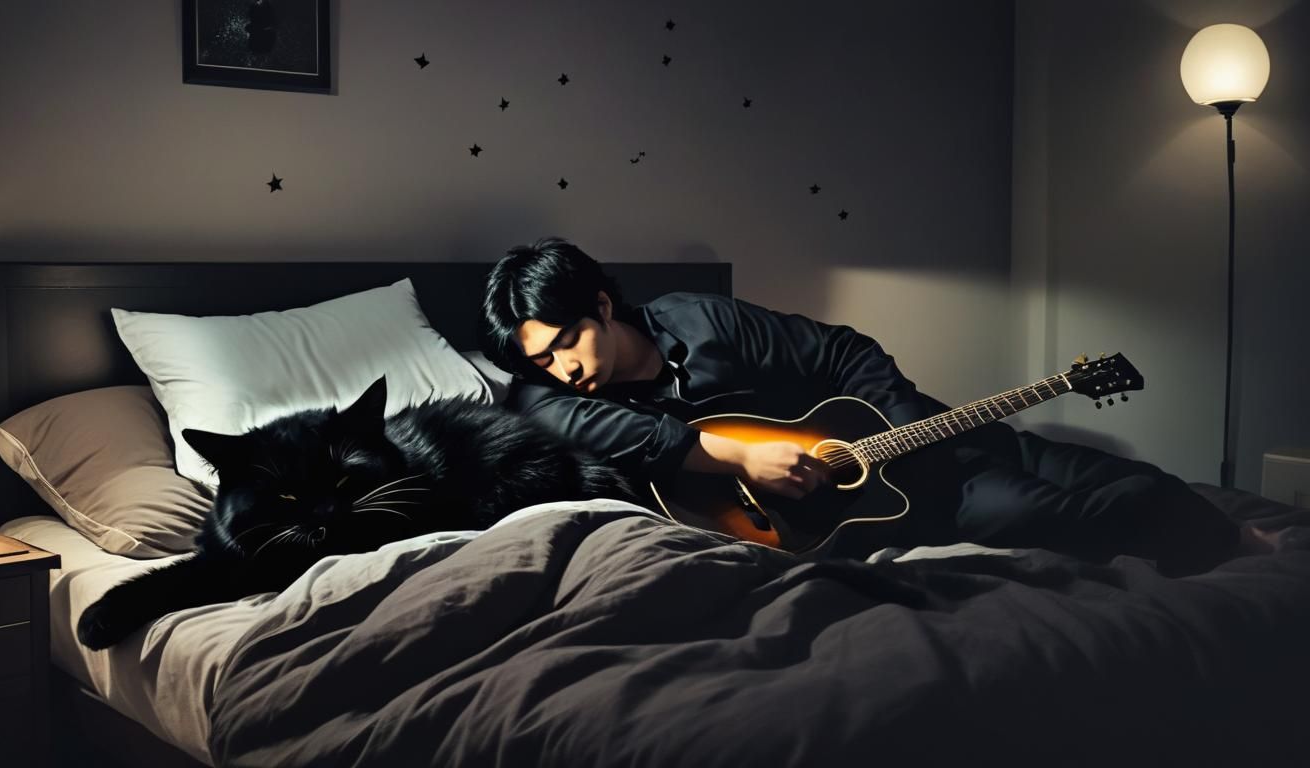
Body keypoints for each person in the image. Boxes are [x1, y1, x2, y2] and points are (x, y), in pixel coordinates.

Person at [477, 238, 1239, 575]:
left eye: (567, 341)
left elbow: (845, 353)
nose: (560, 367)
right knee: (1047, 509)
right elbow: (548, 414)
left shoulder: (704, 320)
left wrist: (896, 435)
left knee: (1080, 465)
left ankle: (1233, 539)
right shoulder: (550, 398)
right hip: (879, 508)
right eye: (539, 358)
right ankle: (1204, 545)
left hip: (902, 439)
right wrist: (740, 455)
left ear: (604, 305)